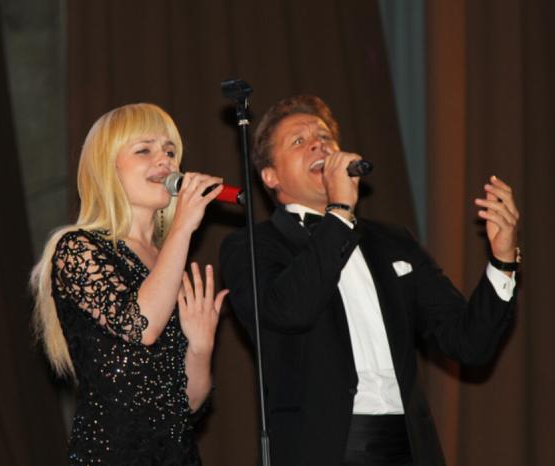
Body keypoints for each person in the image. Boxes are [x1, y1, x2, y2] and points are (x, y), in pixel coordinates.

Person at [220, 95, 520, 466]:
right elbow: (288, 311)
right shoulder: (252, 246)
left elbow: (469, 343)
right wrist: (339, 213)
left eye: (325, 137)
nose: (318, 145)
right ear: (271, 176)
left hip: (410, 446)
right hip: (323, 448)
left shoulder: (393, 241)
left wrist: (502, 261)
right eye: (299, 141)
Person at [30, 103, 228, 465]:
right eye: (144, 150)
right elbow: (141, 326)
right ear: (106, 167)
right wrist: (183, 227)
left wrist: (201, 347)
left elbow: (189, 405)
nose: (164, 160)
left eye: (170, 151)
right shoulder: (77, 249)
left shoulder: (168, 262)